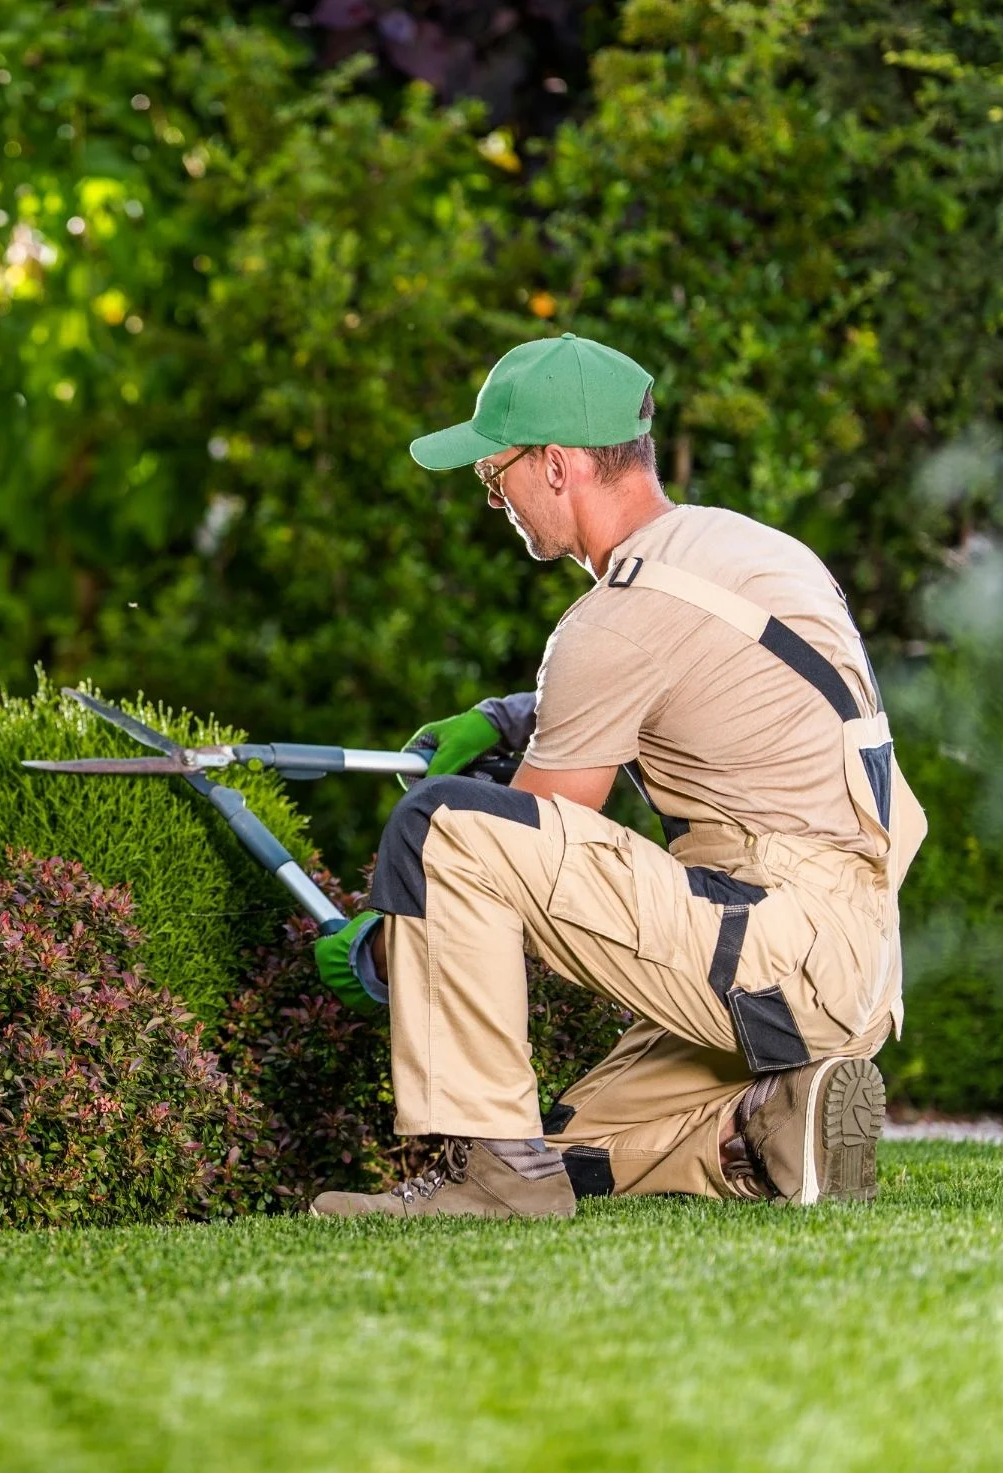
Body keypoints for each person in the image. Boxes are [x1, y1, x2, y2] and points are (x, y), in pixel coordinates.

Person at [308, 334, 925, 1219]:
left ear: (556, 466)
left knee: (441, 827)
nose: (493, 495)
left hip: (776, 952)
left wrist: (381, 947)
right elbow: (699, 685)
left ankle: (498, 1185)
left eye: (496, 471)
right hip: (850, 964)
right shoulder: (743, 551)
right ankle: (763, 1127)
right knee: (561, 1144)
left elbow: (524, 850)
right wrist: (511, 716)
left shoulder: (617, 618)